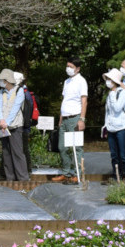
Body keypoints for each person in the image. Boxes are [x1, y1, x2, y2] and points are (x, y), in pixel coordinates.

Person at [52, 56, 87, 184]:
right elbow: (64, 100)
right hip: (65, 118)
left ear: (77, 69)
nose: (68, 69)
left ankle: (78, 173)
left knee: (76, 148)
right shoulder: (67, 82)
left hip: (75, 117)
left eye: (71, 67)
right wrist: (60, 118)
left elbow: (84, 101)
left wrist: (82, 119)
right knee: (62, 147)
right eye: (67, 66)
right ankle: (66, 172)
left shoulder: (81, 81)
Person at [0, 68, 29, 181]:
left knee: (17, 153)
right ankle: (10, 178)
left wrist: (7, 122)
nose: (0, 82)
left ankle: (23, 179)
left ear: (8, 81)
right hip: (3, 126)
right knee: (6, 153)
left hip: (15, 126)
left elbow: (15, 108)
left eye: (2, 80)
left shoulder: (19, 90)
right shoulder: (2, 92)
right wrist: (1, 120)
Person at [102, 68, 125, 182]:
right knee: (114, 155)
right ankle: (117, 177)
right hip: (111, 128)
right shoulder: (110, 94)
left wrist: (112, 96)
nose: (108, 82)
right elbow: (108, 112)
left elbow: (117, 108)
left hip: (122, 128)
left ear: (115, 81)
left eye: (110, 79)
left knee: (124, 154)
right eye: (107, 79)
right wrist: (105, 126)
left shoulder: (122, 93)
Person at [14, 71, 35, 175]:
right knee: (24, 148)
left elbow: (26, 110)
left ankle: (26, 170)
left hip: (22, 126)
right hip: (25, 125)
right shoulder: (25, 91)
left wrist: (24, 125)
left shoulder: (22, 92)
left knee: (23, 149)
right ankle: (27, 169)